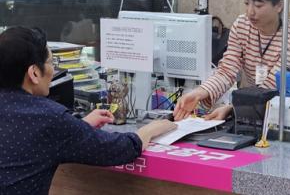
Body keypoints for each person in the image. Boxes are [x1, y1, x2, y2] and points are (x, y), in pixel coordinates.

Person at [0, 26, 176, 195]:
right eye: (52, 62)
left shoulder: (48, 121)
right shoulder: (49, 117)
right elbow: (121, 149)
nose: (54, 70)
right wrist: (152, 128)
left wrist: (78, 126)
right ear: (34, 73)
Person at [173, 0, 290, 121]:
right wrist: (199, 92)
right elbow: (227, 70)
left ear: (279, 6)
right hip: (247, 111)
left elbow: (271, 89)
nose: (250, 12)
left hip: (280, 117)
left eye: (258, 5)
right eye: (246, 3)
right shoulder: (242, 25)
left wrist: (233, 109)